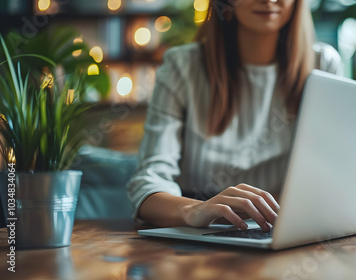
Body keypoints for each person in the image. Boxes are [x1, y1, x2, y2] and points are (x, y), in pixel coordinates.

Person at [127, 0, 342, 232]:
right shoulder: (181, 66)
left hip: (285, 229)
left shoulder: (323, 65)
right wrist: (195, 210)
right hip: (200, 238)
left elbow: (331, 175)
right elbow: (148, 184)